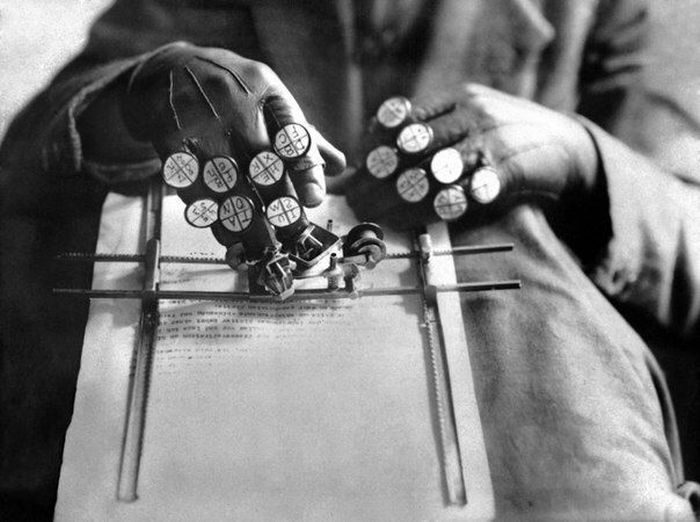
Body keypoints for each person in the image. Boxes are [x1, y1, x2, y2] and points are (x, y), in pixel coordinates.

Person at [1, 0, 699, 519]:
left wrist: (581, 155)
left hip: (509, 373)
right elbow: (28, 157)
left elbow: (688, 226)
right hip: (225, 379)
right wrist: (139, 91)